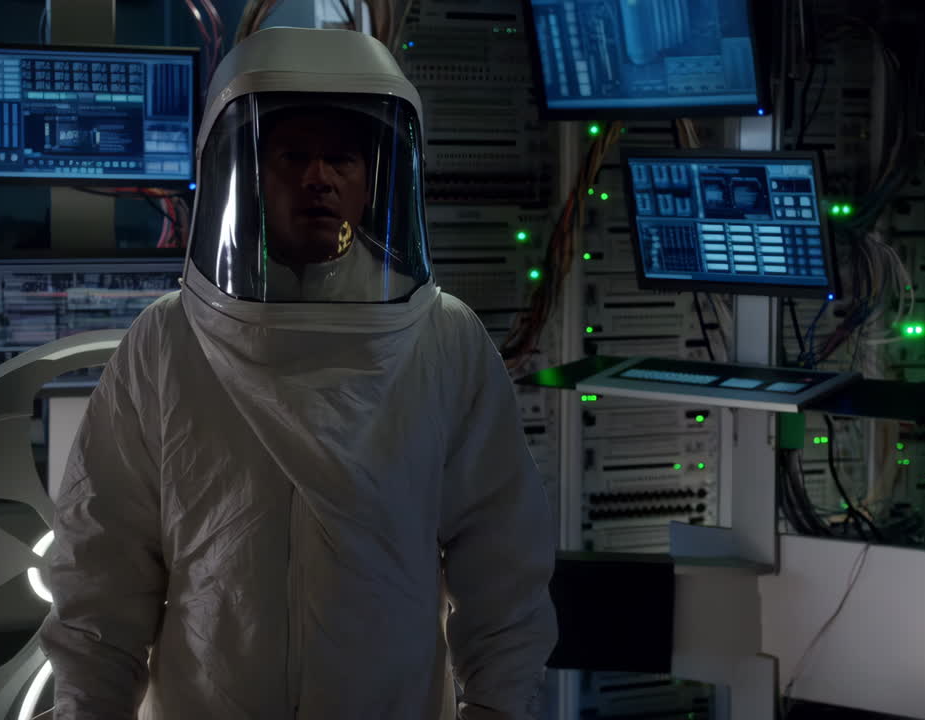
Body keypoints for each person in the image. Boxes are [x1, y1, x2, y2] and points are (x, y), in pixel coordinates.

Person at [39, 26, 558, 720]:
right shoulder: (168, 340)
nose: (320, 177)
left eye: (342, 157)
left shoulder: (443, 341)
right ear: (247, 173)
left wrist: (497, 707)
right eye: (294, 155)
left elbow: (502, 564)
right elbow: (102, 566)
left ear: (373, 180)